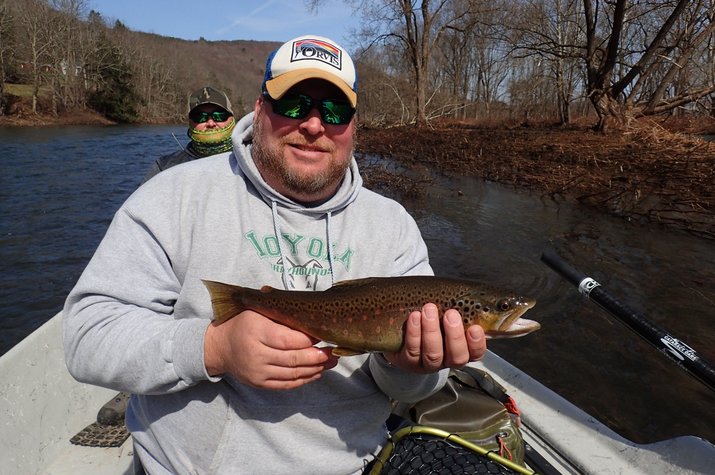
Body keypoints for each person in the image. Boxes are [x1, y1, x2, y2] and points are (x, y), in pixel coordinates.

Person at [63, 34, 486, 474]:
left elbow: (415, 389)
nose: (315, 125)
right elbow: (86, 337)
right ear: (260, 109)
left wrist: (410, 367)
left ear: (353, 127)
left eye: (335, 111)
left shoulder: (393, 226)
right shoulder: (174, 196)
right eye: (295, 103)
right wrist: (213, 348)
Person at [143, 85, 236, 182]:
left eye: (219, 116)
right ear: (190, 122)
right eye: (200, 117)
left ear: (232, 119)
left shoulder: (249, 160)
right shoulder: (163, 167)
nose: (210, 123)